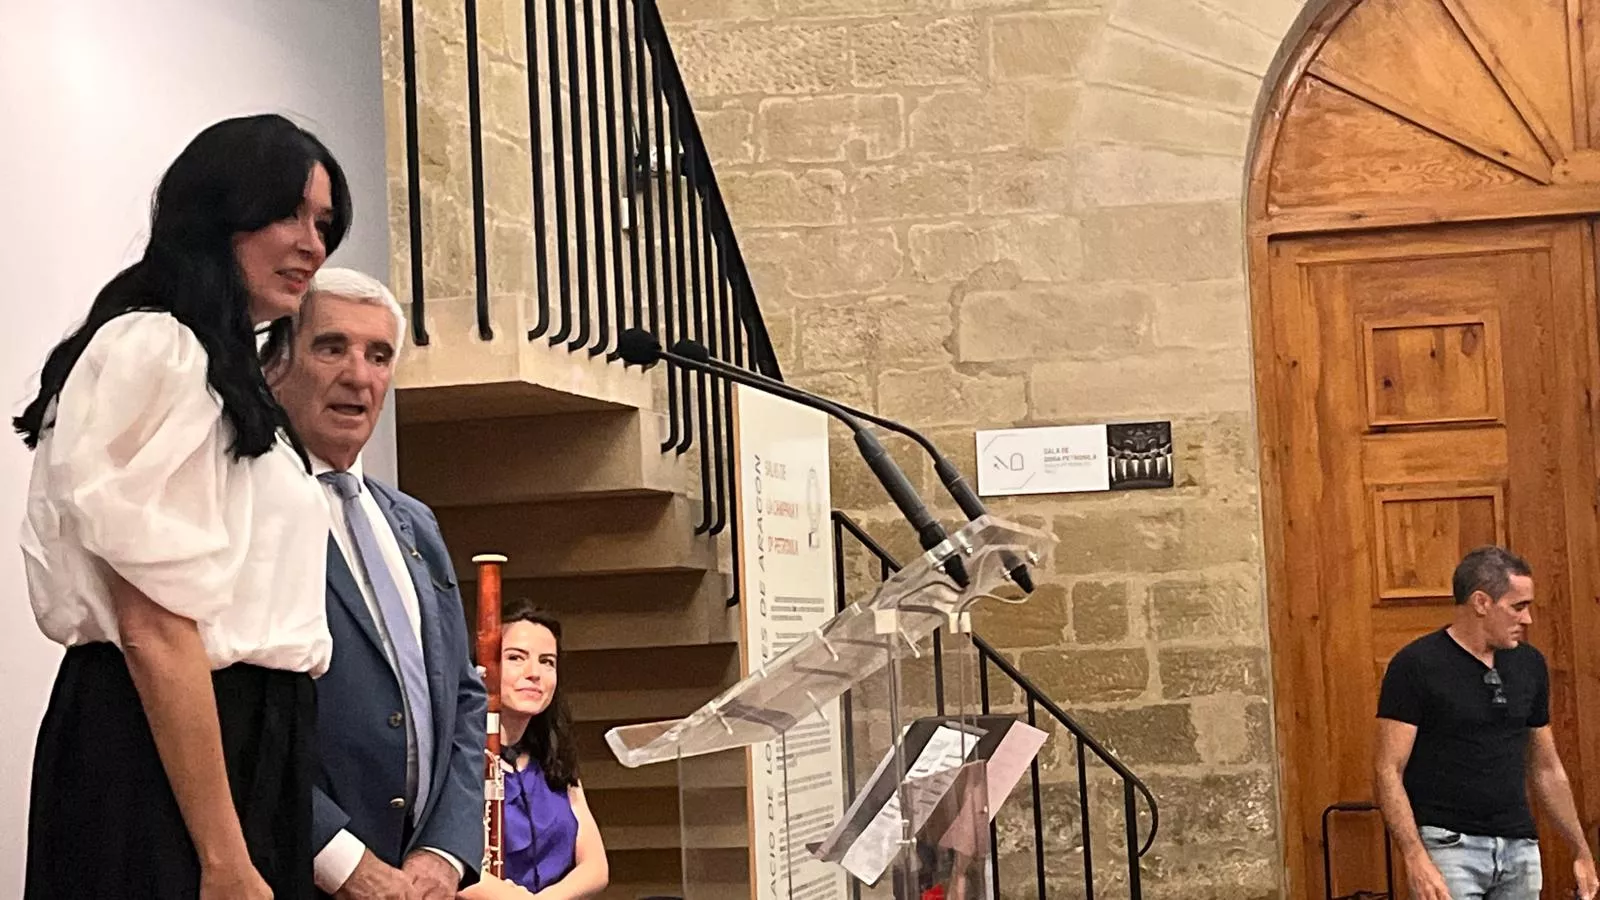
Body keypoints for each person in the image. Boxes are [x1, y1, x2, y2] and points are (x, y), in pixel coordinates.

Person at [18, 113, 351, 899]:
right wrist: (222, 855)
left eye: (324, 224)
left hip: (247, 742)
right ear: (218, 213)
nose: (313, 244)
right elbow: (154, 625)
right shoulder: (155, 349)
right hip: (167, 750)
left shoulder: (222, 372)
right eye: (289, 214)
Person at [268, 267, 488, 899]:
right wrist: (341, 862)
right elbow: (235, 712)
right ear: (277, 364)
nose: (358, 375)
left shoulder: (414, 522)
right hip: (295, 873)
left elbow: (464, 694)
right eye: (331, 347)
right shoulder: (251, 507)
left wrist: (445, 852)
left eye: (379, 355)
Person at [1374, 545, 1598, 900]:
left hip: (1519, 846)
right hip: (1449, 846)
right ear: (1481, 602)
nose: (1527, 619)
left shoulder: (1529, 665)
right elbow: (1388, 768)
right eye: (1518, 607)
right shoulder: (1416, 666)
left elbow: (1546, 767)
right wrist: (1415, 856)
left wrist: (1580, 850)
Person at [462, 605, 608, 900]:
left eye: (547, 662)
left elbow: (595, 867)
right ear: (482, 668)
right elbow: (449, 864)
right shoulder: (459, 757)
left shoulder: (553, 759)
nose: (534, 674)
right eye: (516, 658)